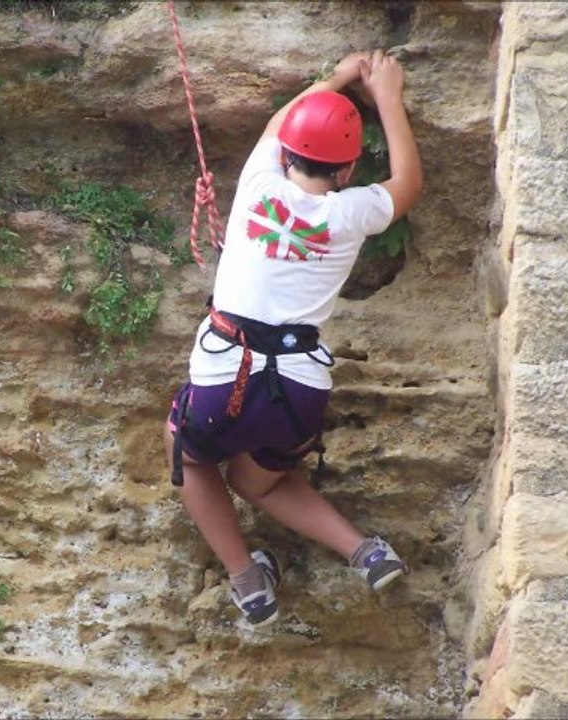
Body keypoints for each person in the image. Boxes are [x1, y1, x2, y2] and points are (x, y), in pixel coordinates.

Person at [164, 49, 424, 627]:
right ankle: (364, 550)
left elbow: (281, 121)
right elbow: (408, 181)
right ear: (349, 170)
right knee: (259, 480)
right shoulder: (354, 212)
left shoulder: (258, 181)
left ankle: (247, 579)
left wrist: (336, 77)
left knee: (188, 453)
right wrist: (387, 95)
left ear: (285, 153)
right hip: (299, 388)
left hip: (222, 375)